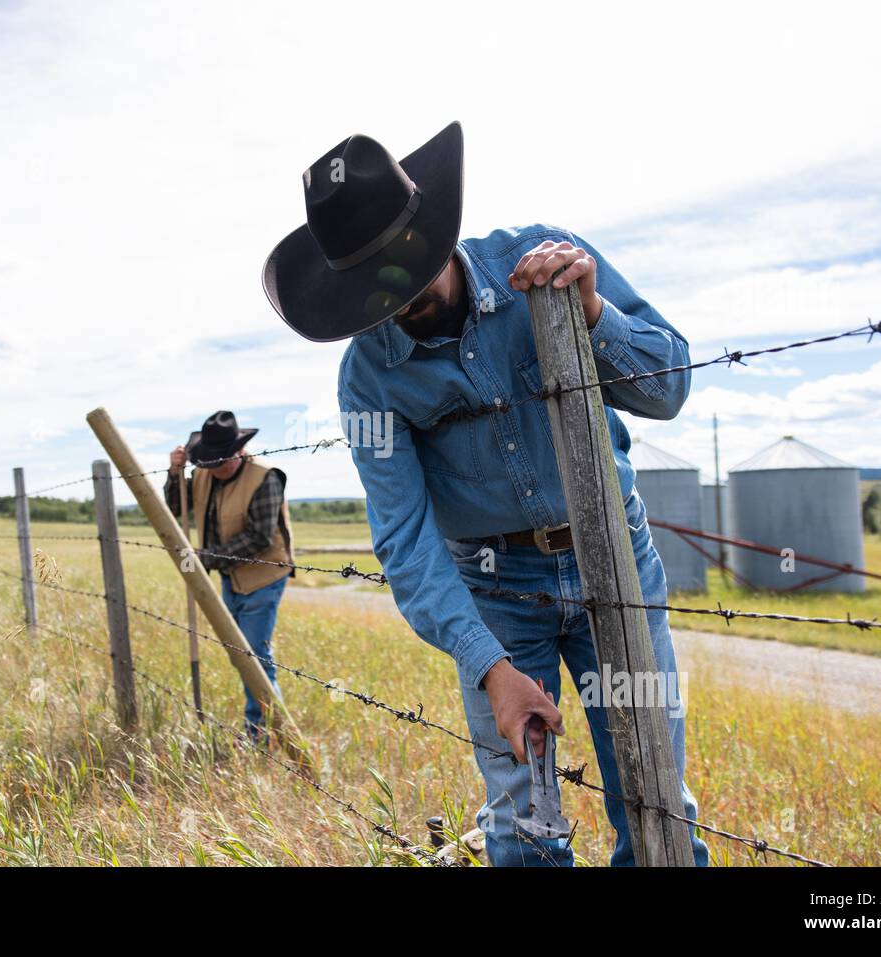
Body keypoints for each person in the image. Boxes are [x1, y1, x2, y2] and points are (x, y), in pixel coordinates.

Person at [261, 121, 709, 866]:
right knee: (521, 818)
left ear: (435, 232)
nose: (398, 304)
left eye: (410, 274)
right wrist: (491, 668)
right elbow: (403, 539)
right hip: (496, 592)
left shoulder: (548, 260)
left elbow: (669, 388)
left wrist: (592, 316)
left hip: (615, 564)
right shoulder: (368, 381)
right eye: (372, 295)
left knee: (654, 797)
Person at [164, 410, 294, 740]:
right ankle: (261, 727)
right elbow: (176, 507)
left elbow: (259, 538)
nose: (214, 468)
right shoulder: (207, 472)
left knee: (254, 654)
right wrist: (174, 472)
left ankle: (263, 732)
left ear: (239, 450)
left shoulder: (265, 477)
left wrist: (205, 556)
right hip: (228, 575)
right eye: (207, 462)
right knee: (241, 654)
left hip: (264, 576)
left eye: (220, 461)